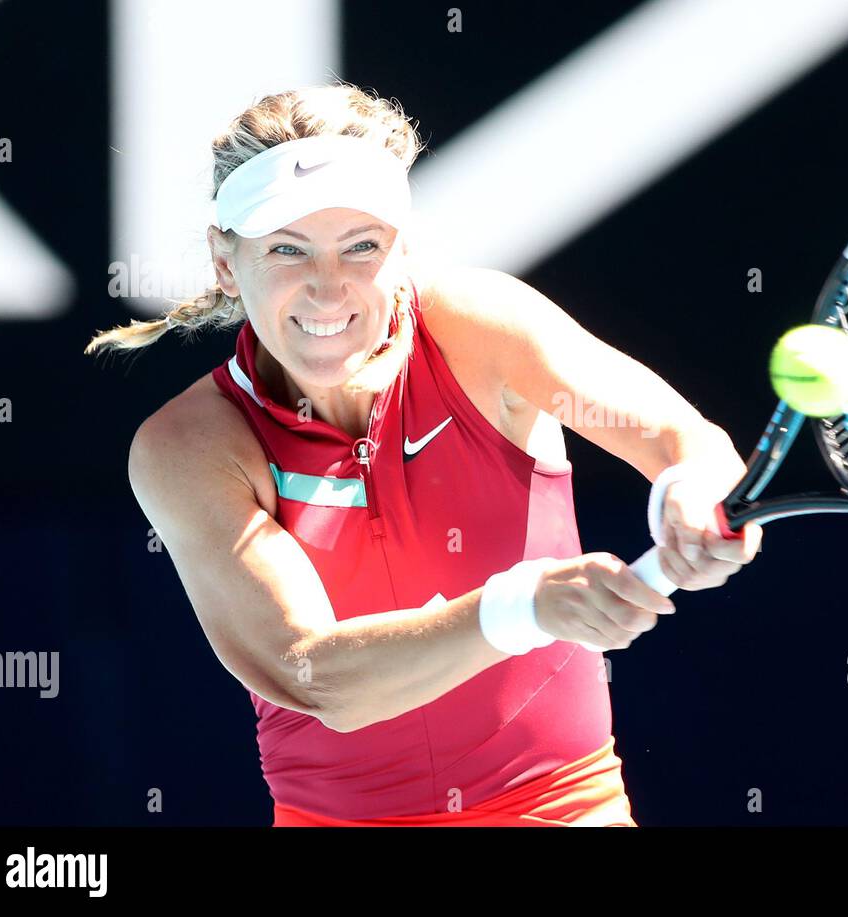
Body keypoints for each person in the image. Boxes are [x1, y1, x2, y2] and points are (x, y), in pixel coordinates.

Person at [86, 84, 762, 826]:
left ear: (402, 248)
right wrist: (523, 605)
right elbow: (319, 676)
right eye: (287, 249)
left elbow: (683, 439)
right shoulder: (188, 445)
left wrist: (694, 493)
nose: (327, 288)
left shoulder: (481, 329)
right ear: (223, 260)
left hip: (566, 808)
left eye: (362, 246)